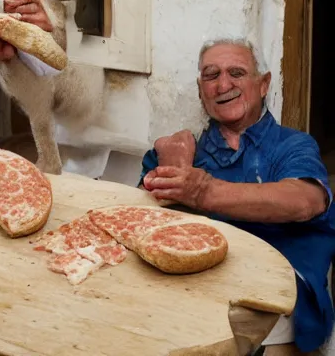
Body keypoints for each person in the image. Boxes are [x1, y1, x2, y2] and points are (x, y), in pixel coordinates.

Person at [140, 39, 334, 355]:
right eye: (211, 75)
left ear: (263, 84)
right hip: (196, 297)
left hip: (277, 303)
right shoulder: (187, 152)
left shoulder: (293, 146)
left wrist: (203, 191)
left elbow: (305, 201)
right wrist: (171, 163)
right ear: (200, 89)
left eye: (236, 72)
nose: (223, 84)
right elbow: (141, 222)